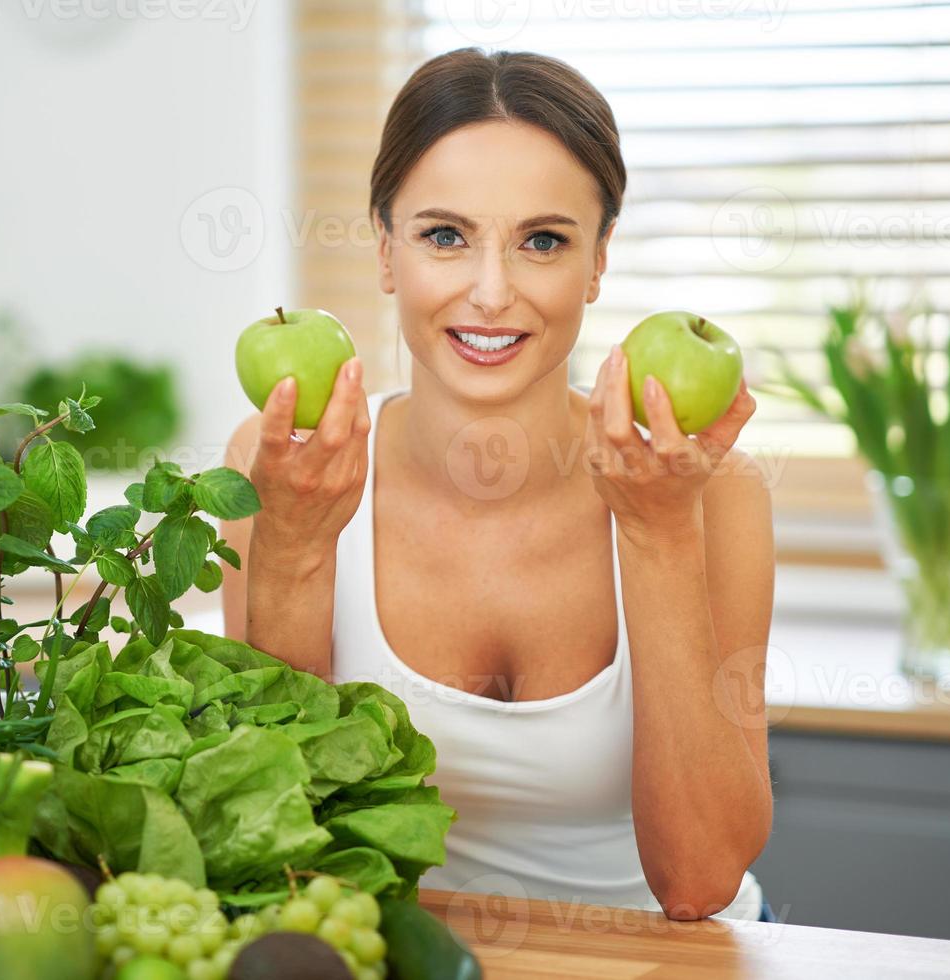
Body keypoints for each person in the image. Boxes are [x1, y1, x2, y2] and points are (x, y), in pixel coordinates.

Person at [218, 47, 774, 922]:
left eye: (542, 241)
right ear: (386, 252)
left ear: (597, 262)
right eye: (445, 236)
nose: (490, 293)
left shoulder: (713, 491)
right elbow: (272, 832)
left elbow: (701, 878)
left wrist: (658, 533)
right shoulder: (280, 460)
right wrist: (295, 541)